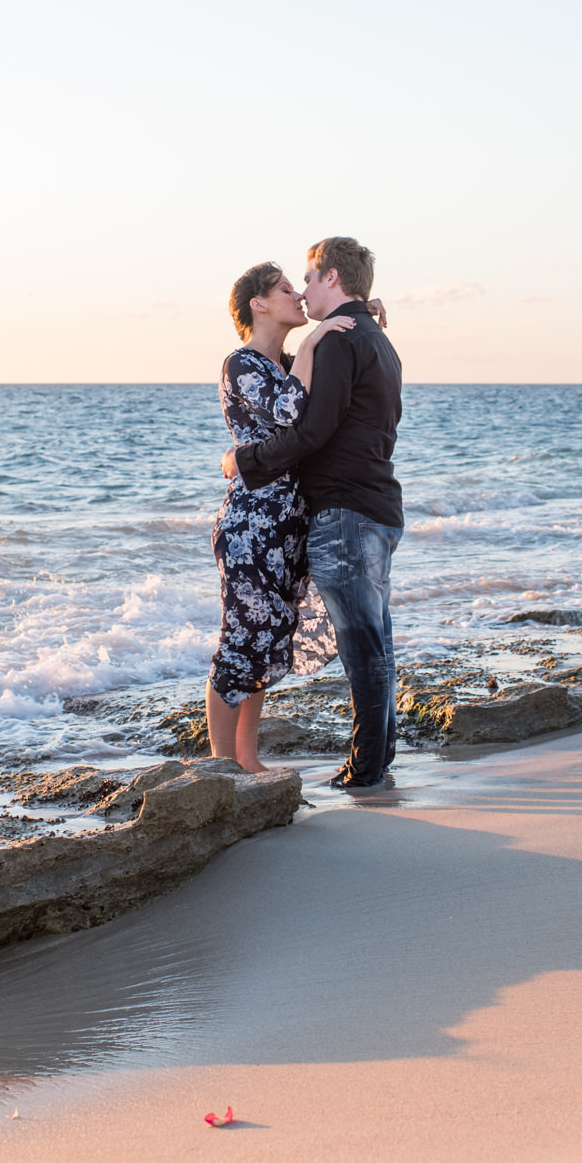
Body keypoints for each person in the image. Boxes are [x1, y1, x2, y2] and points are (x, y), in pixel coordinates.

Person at [224, 237, 404, 790]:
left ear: (331, 278)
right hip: (370, 507)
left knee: (364, 646)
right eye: (290, 285)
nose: (302, 290)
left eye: (307, 278)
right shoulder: (373, 338)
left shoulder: (340, 341)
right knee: (375, 641)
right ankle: (378, 756)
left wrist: (242, 460)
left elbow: (310, 430)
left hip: (347, 512)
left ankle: (366, 767)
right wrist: (357, 312)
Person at [205, 262, 363, 770]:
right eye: (285, 290)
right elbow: (292, 412)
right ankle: (219, 766)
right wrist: (316, 341)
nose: (298, 296)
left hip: (287, 527)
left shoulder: (286, 362)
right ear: (259, 304)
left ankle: (248, 763)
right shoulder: (242, 364)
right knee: (240, 642)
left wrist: (363, 311)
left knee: (267, 641)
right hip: (251, 527)